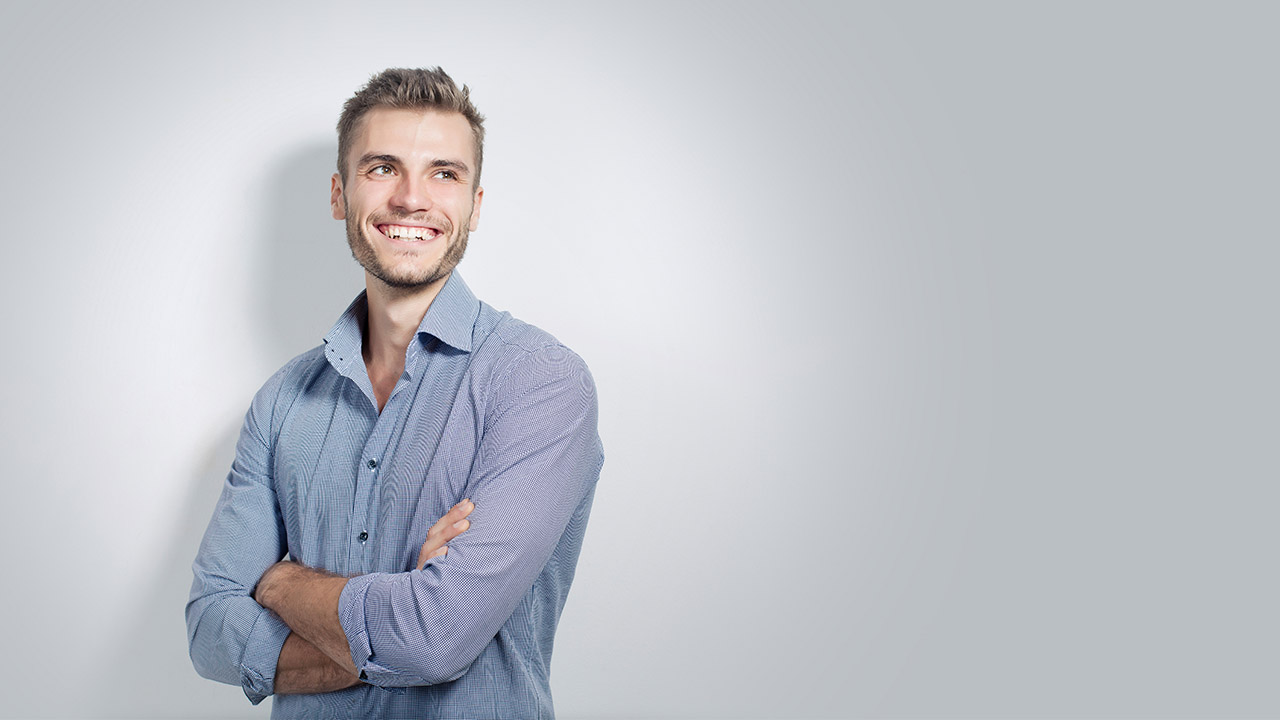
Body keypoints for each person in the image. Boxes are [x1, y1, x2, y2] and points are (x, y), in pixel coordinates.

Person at [186, 67, 604, 719]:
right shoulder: (282, 401)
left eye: (445, 173)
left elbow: (435, 639)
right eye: (383, 168)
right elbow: (211, 631)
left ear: (475, 204)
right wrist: (397, 614)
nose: (413, 198)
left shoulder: (538, 382)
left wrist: (282, 582)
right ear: (339, 193)